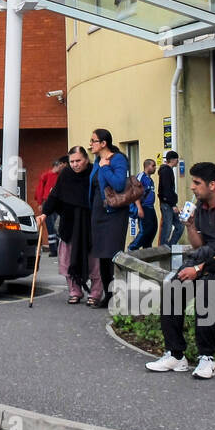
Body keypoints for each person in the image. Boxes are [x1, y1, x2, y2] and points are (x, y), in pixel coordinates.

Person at [145, 161, 215, 380]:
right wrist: (190, 225)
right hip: (210, 256)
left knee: (206, 289)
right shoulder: (201, 206)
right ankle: (175, 355)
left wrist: (198, 270)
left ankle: (207, 357)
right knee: (174, 285)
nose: (192, 187)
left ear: (212, 185)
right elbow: (199, 245)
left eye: (197, 183)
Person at [36, 147, 91, 303]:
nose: (75, 164)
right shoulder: (65, 174)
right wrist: (45, 213)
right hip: (69, 224)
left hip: (89, 224)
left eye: (78, 160)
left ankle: (95, 293)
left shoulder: (93, 173)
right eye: (72, 161)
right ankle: (74, 291)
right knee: (67, 260)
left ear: (86, 159)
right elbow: (55, 195)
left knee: (93, 261)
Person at [86, 128, 129, 308]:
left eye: (93, 141)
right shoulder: (97, 161)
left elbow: (119, 184)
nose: (90, 144)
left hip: (114, 214)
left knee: (112, 254)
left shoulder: (117, 159)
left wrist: (105, 167)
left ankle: (119, 295)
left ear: (103, 143)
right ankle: (108, 295)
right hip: (98, 213)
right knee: (102, 256)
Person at [35, 156, 66, 256]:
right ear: (57, 166)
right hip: (47, 202)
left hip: (57, 202)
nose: (62, 167)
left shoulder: (60, 176)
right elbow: (40, 189)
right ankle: (53, 249)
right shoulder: (46, 175)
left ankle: (57, 248)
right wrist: (40, 203)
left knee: (56, 226)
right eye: (61, 165)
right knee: (50, 226)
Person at [127, 158, 158, 251]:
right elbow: (135, 192)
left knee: (153, 229)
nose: (155, 168)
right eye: (153, 165)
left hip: (150, 207)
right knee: (145, 230)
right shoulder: (141, 177)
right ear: (147, 166)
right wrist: (139, 207)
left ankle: (147, 249)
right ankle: (132, 248)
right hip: (144, 207)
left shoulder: (150, 180)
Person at [158, 150, 184, 247]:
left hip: (169, 203)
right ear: (173, 160)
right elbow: (166, 189)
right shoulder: (166, 171)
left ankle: (169, 247)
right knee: (167, 227)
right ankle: (163, 249)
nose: (178, 162)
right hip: (167, 204)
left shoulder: (168, 170)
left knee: (180, 226)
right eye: (177, 160)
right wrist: (173, 205)